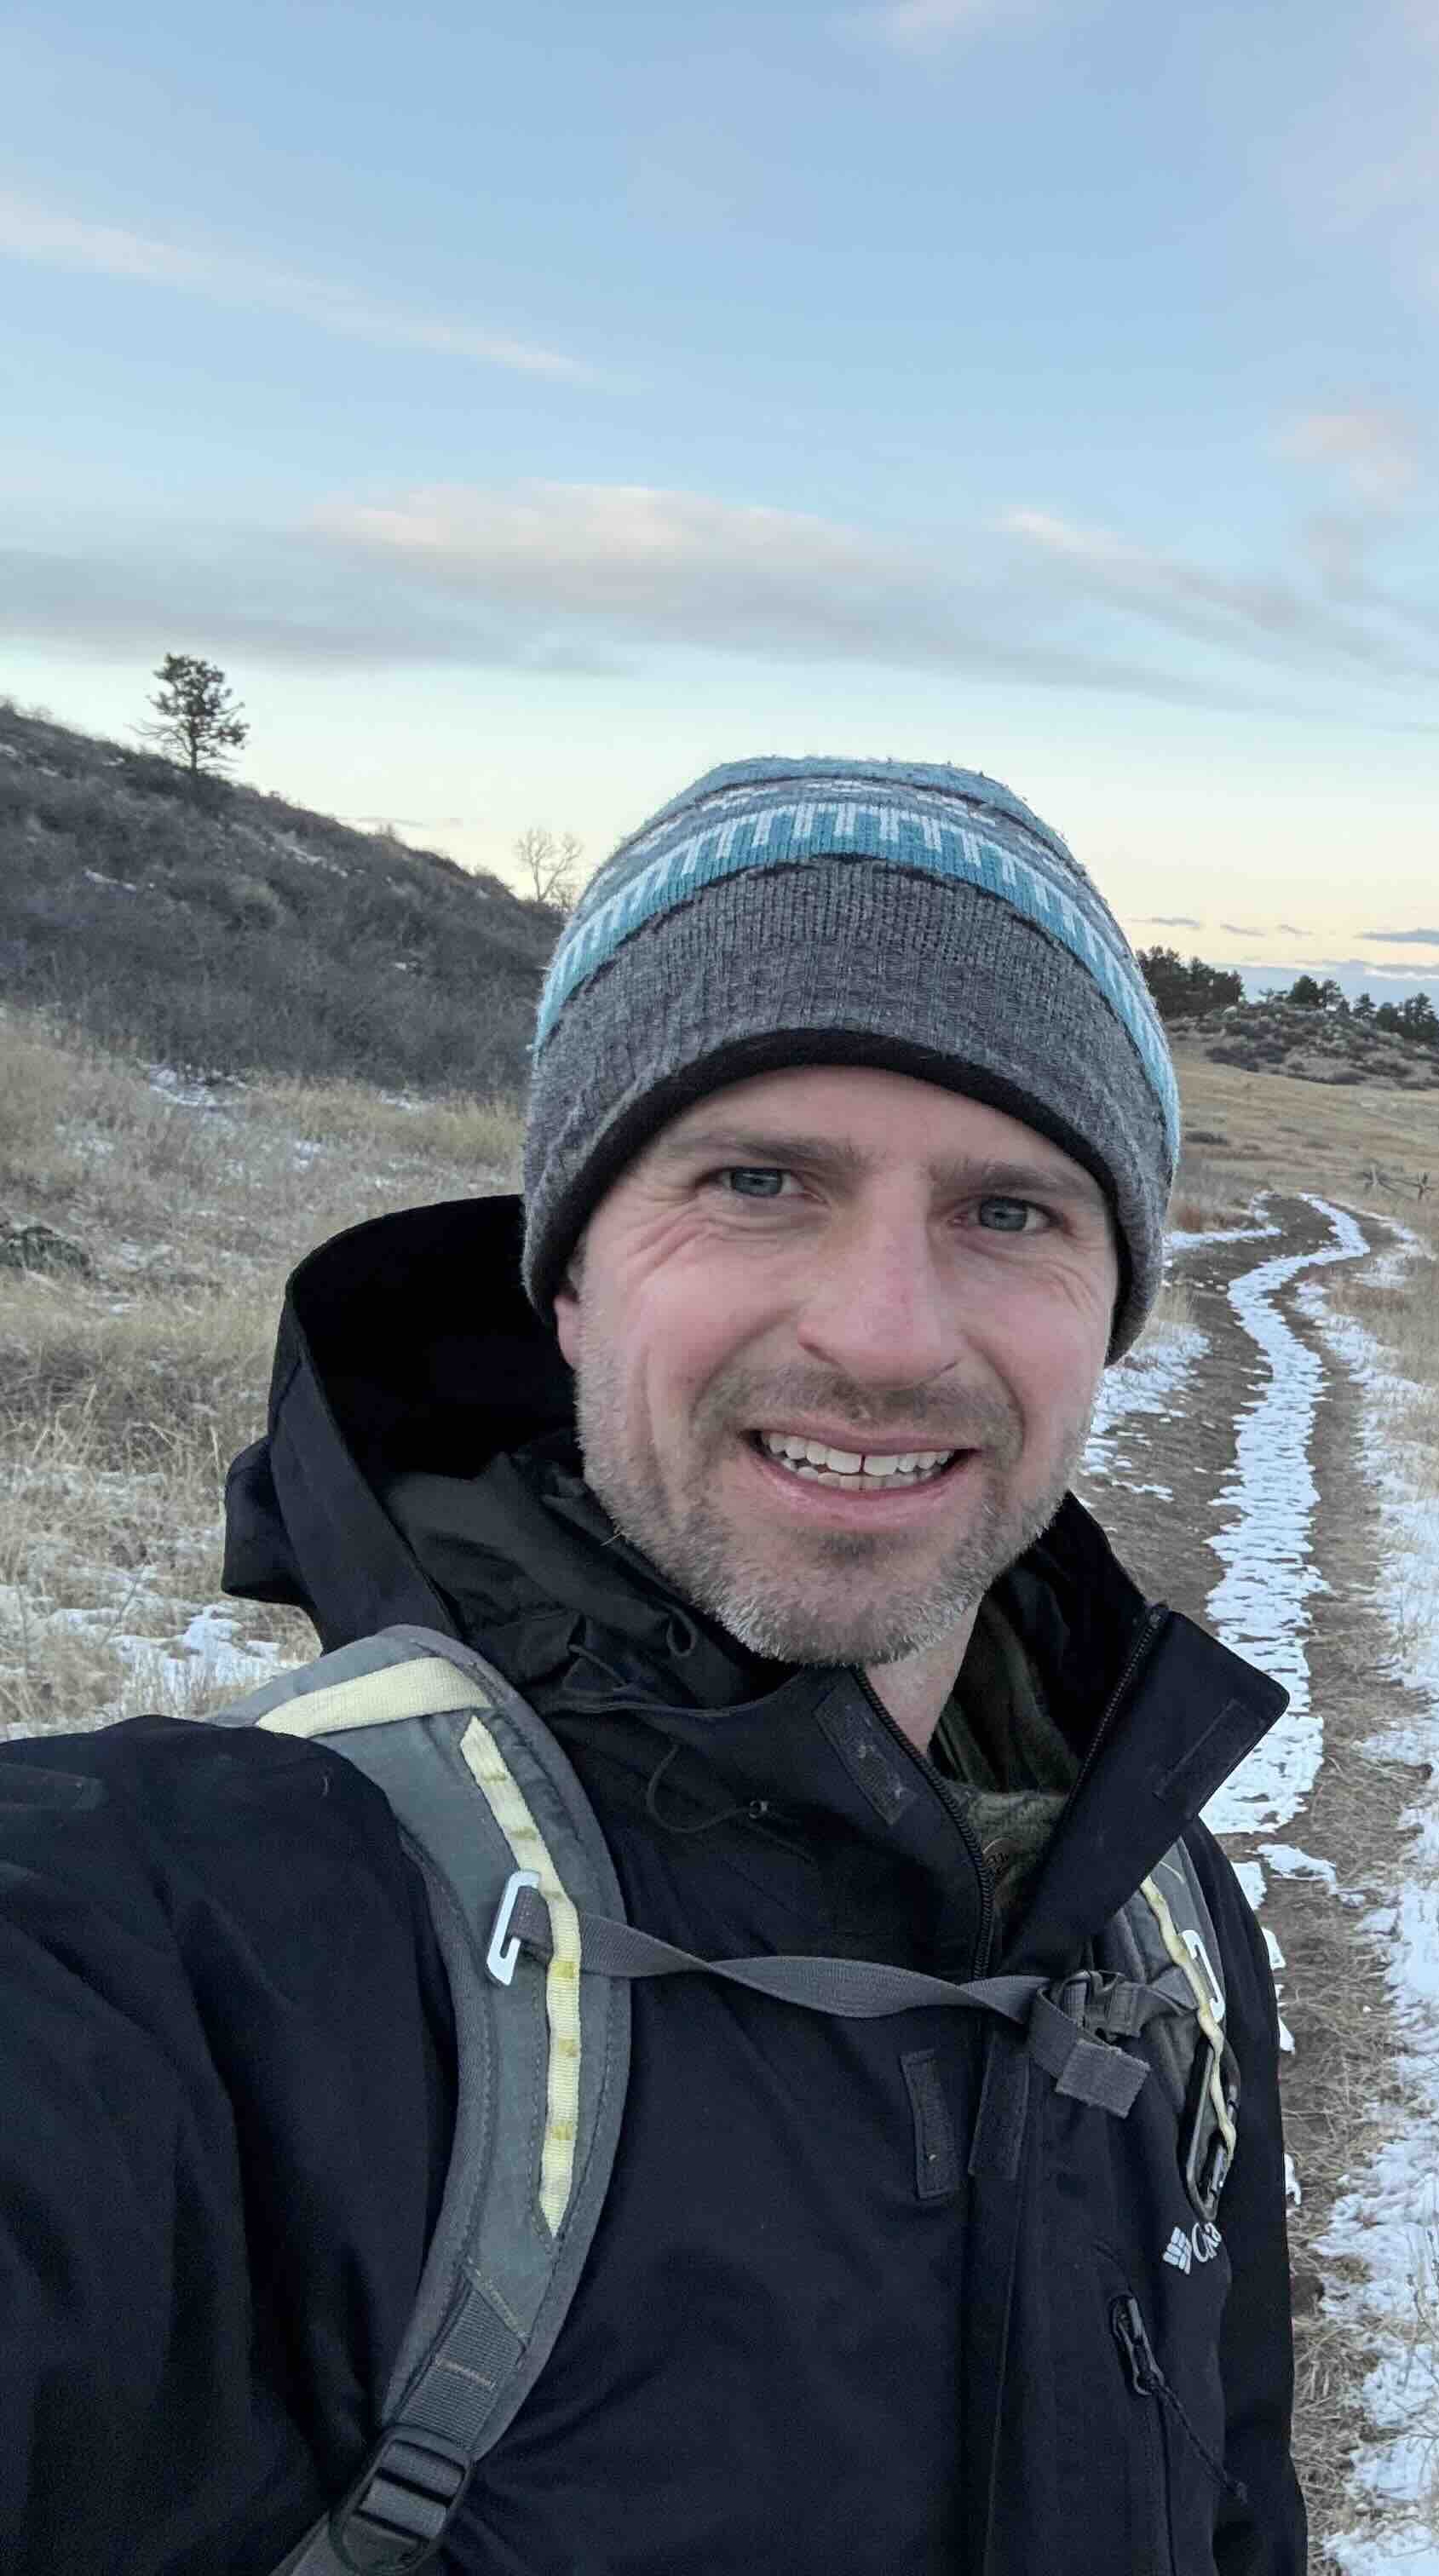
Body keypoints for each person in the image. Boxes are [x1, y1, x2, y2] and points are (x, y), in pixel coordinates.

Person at [0, 760, 1304, 2573]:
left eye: (1010, 1212)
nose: (882, 1332)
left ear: (1110, 1310)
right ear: (572, 1282)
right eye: (759, 1180)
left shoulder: (1157, 1915)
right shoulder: (226, 1932)